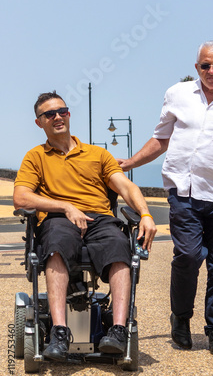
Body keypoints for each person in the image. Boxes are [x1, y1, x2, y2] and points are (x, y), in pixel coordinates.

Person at [118, 41, 213, 356]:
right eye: (206, 66)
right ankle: (181, 317)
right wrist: (130, 163)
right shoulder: (177, 95)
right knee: (188, 256)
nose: (212, 71)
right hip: (184, 192)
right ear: (197, 68)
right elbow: (161, 139)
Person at [13, 91, 156, 361]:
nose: (57, 117)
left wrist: (146, 214)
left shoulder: (97, 154)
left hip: (99, 217)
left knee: (118, 244)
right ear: (39, 122)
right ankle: (58, 332)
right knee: (55, 245)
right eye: (49, 114)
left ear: (69, 114)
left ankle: (118, 330)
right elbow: (21, 197)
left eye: (62, 111)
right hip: (58, 218)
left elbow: (125, 186)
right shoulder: (36, 157)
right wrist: (65, 206)